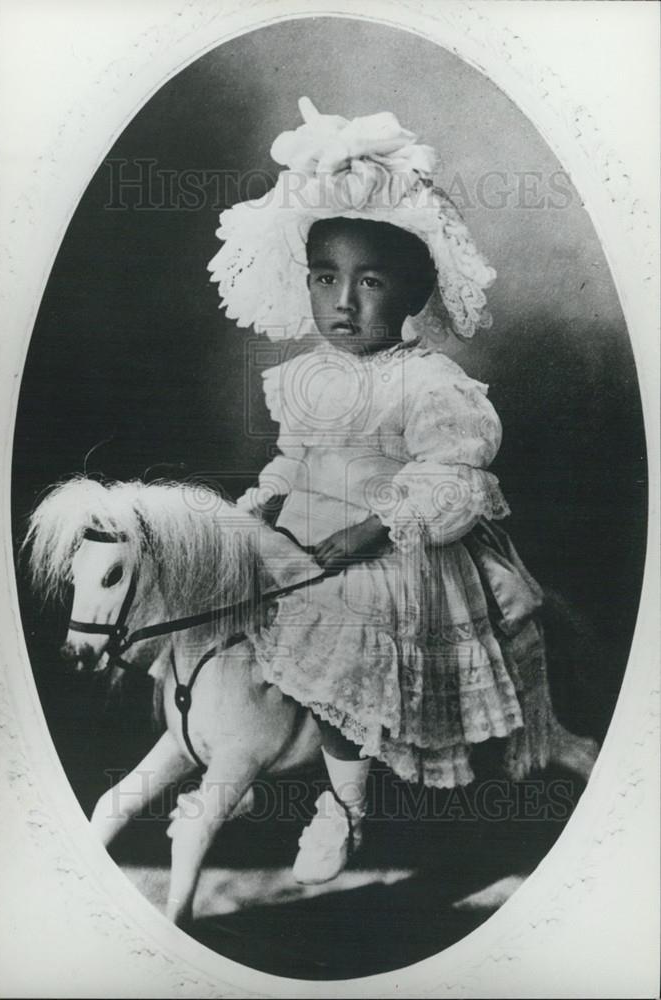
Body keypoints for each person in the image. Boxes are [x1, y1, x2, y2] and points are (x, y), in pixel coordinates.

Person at [207, 97, 596, 885]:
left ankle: (345, 806)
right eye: (325, 278)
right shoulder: (308, 375)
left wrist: (376, 529)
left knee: (339, 622)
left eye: (370, 281)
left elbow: (451, 475)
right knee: (221, 604)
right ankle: (233, 758)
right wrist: (269, 498)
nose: (343, 302)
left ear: (415, 296)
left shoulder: (428, 382)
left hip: (401, 547)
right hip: (314, 529)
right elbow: (298, 455)